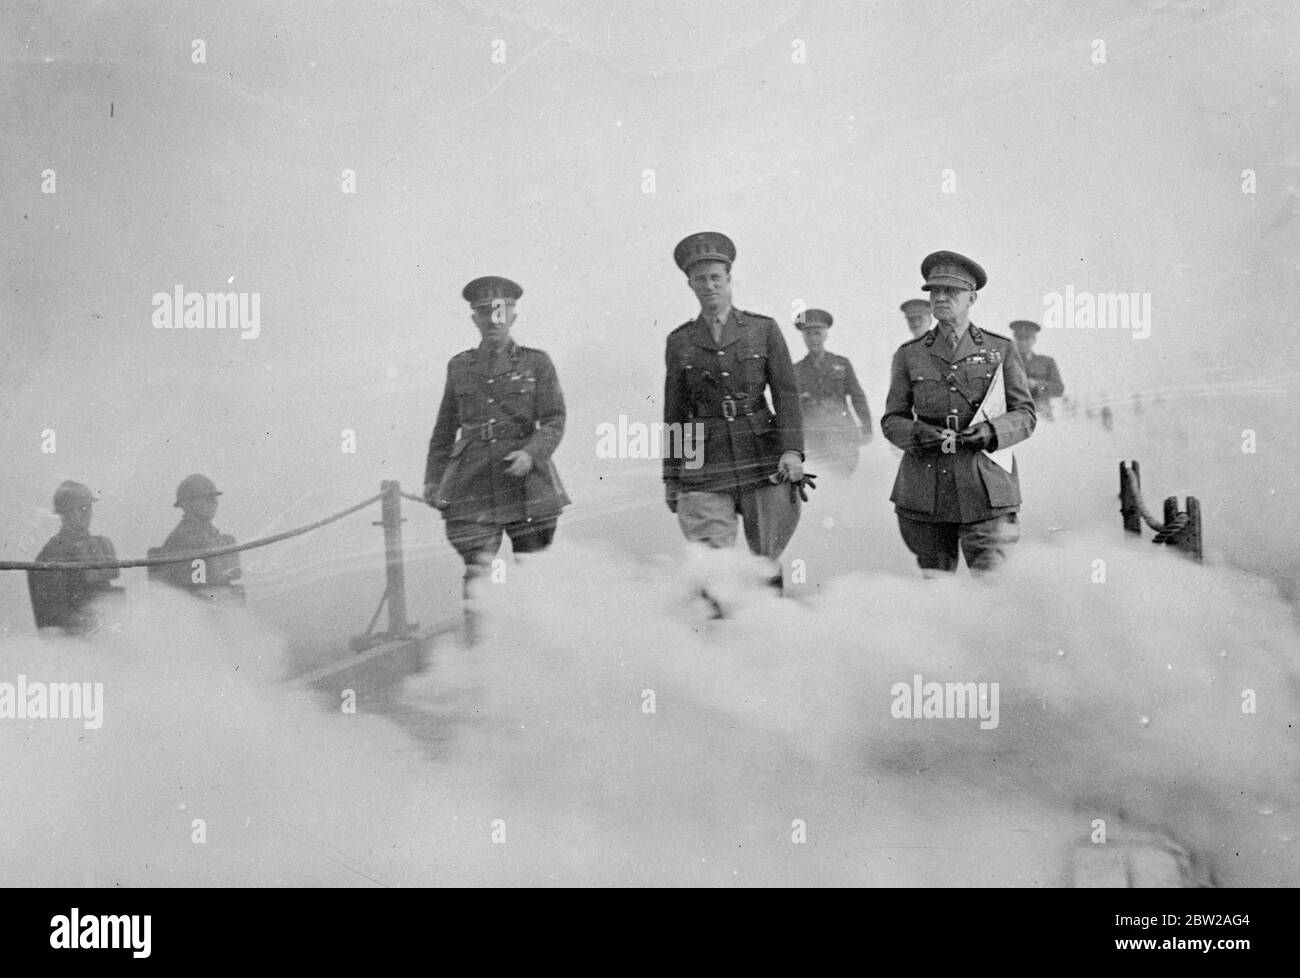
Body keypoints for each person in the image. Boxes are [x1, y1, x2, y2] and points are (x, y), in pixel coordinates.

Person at [663, 231, 809, 604]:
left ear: (729, 279)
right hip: (703, 458)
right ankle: (716, 643)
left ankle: (772, 630)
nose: (709, 286)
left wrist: (792, 451)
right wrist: (672, 474)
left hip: (762, 451)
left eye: (716, 277)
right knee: (711, 562)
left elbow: (786, 396)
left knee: (765, 558)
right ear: (690, 284)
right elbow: (676, 412)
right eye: (700, 279)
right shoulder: (680, 341)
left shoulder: (763, 330)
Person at [423, 276, 569, 637]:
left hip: (526, 483)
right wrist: (433, 478)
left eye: (501, 311)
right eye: (484, 312)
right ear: (474, 318)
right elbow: (444, 429)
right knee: (478, 578)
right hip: (471, 484)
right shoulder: (460, 366)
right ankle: (479, 661)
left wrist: (531, 454)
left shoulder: (537, 363)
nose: (493, 319)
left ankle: (539, 652)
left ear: (514, 317)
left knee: (533, 571)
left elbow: (553, 420)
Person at [881, 251, 1036, 575]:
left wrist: (991, 432)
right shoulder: (909, 355)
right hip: (925, 490)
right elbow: (892, 419)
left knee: (991, 584)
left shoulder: (1000, 350)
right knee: (936, 585)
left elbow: (1025, 414)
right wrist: (918, 434)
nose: (940, 297)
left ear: (972, 297)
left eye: (950, 291)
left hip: (985, 486)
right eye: (934, 291)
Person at [27, 481, 124, 634]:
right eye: (81, 508)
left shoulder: (95, 546)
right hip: (77, 643)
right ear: (64, 514)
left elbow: (104, 591)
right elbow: (52, 617)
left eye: (88, 507)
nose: (87, 513)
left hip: (103, 633)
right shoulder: (53, 553)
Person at [793, 308, 873, 477]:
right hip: (813, 440)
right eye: (809, 334)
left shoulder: (841, 364)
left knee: (843, 481)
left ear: (825, 335)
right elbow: (792, 409)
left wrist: (867, 428)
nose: (813, 339)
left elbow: (858, 397)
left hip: (843, 436)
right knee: (821, 487)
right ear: (803, 337)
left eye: (817, 333)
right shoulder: (796, 371)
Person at [150, 474, 243, 600]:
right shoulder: (185, 538)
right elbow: (196, 591)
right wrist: (219, 599)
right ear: (187, 504)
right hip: (199, 607)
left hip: (219, 599)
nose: (214, 502)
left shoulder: (213, 534)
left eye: (214, 498)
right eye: (206, 498)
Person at [1010, 320, 1065, 420]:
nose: (1023, 342)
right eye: (1019, 338)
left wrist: (1036, 385)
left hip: (1042, 414)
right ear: (1014, 339)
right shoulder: (1008, 362)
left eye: (1026, 338)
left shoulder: (1047, 362)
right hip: (1014, 414)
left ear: (1034, 339)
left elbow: (1059, 388)